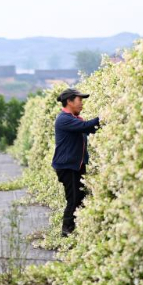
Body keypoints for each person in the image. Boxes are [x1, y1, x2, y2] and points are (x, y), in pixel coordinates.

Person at [52, 88, 101, 237]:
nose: (82, 104)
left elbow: (89, 129)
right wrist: (105, 116)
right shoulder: (64, 119)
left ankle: (76, 228)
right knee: (73, 198)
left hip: (75, 165)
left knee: (79, 197)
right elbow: (86, 127)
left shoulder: (74, 119)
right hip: (68, 166)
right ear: (69, 101)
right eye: (80, 100)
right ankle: (67, 230)